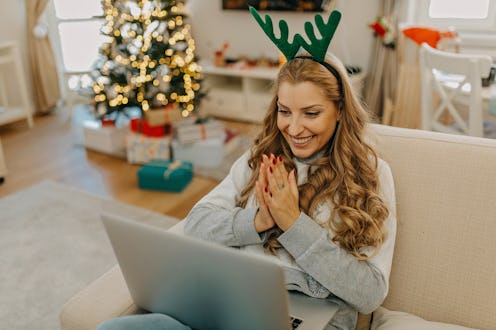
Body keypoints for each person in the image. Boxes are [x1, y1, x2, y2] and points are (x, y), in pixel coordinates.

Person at [97, 52, 397, 330]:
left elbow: (369, 293)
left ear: (340, 110)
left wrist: (293, 224)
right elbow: (197, 224)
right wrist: (258, 221)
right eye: (284, 111)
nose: (293, 129)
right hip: (229, 303)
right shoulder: (261, 156)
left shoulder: (372, 175)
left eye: (311, 113)